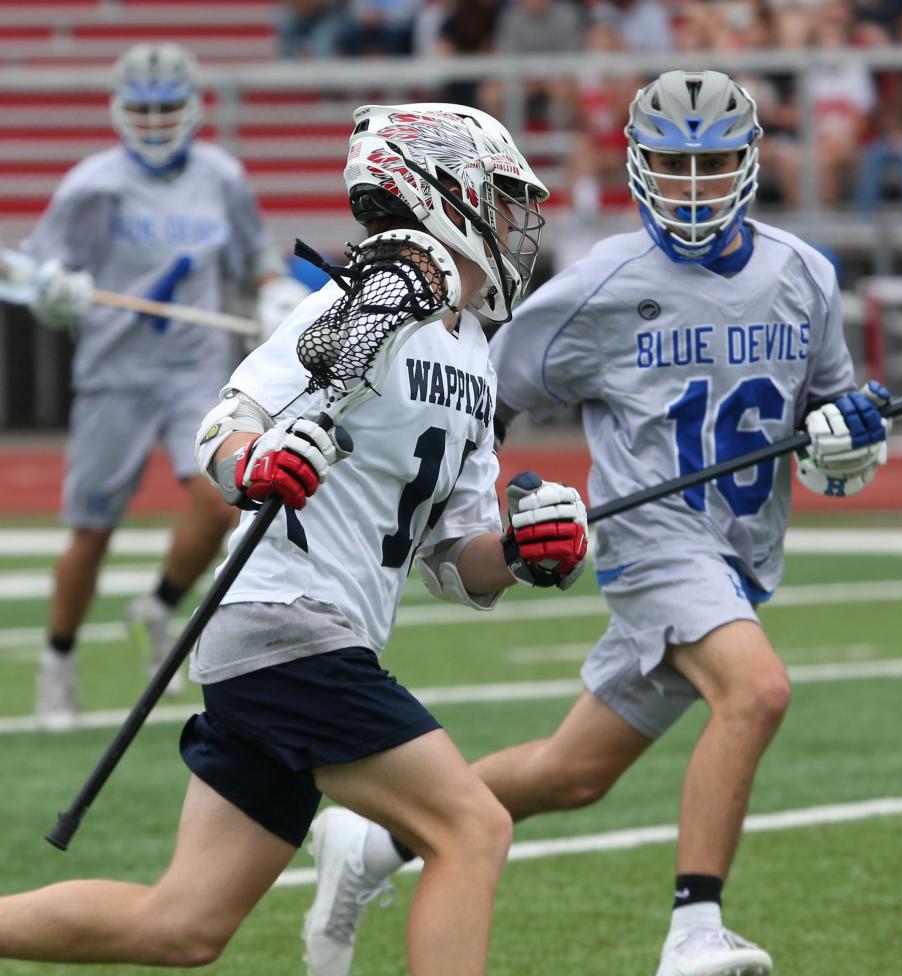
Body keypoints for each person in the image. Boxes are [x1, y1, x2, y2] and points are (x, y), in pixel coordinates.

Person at [304, 71, 892, 976]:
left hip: (738, 558)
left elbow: (830, 430)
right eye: (672, 163)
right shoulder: (602, 284)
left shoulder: (803, 274)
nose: (693, 183)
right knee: (757, 692)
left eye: (714, 163)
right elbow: (483, 390)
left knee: (572, 773)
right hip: (654, 545)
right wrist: (480, 498)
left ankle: (371, 846)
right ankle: (695, 929)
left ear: (749, 164)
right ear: (638, 165)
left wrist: (850, 435)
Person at [0, 101, 589, 976]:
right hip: (288, 628)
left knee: (182, 926)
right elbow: (224, 428)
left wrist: (522, 552)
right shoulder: (368, 301)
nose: (514, 221)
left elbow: (454, 562)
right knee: (473, 825)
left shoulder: (471, 354)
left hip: (303, 641)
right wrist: (258, 465)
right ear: (441, 189)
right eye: (501, 197)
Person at [23, 41, 309, 729]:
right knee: (92, 532)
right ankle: (58, 661)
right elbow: (34, 271)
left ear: (194, 107)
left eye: (168, 108)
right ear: (122, 109)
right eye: (143, 109)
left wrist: (272, 289)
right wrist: (53, 290)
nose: (155, 122)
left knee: (218, 508)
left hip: (194, 372)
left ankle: (157, 606)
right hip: (113, 374)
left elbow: (257, 258)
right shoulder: (92, 183)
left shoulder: (221, 176)